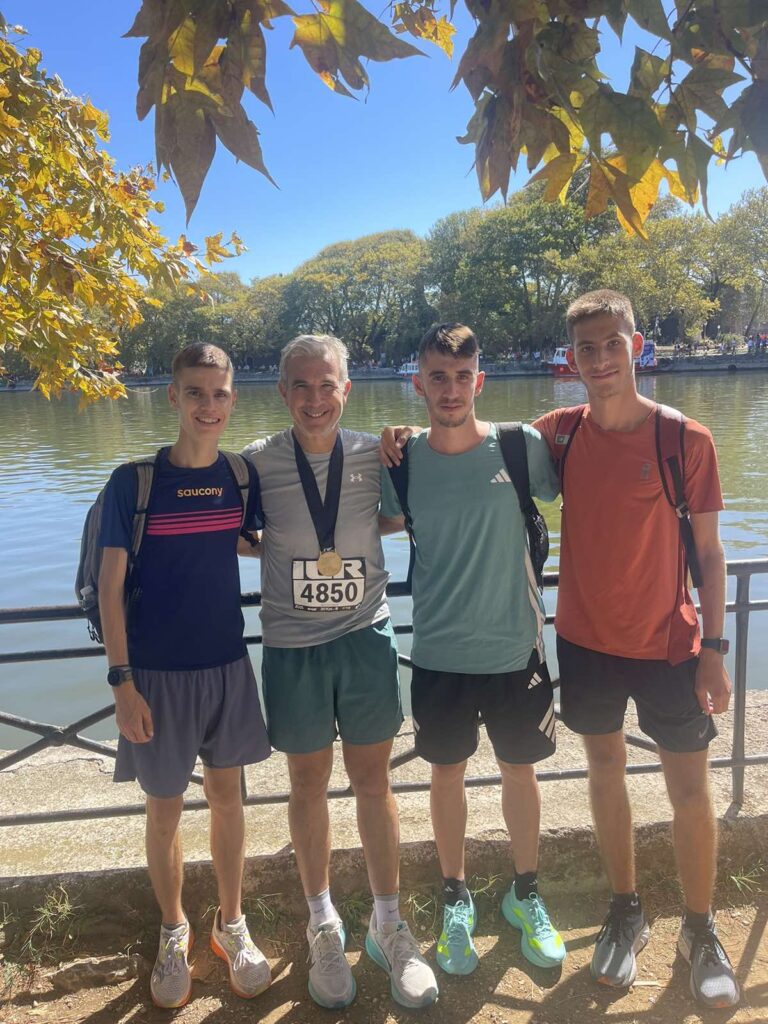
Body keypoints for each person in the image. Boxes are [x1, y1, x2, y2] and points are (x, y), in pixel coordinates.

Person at [532, 290, 740, 1009]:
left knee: (690, 789)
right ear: (571, 358)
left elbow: (710, 555)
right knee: (605, 771)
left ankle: (700, 928)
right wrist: (404, 436)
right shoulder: (556, 434)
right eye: (584, 348)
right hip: (585, 641)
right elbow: (476, 441)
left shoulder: (685, 439)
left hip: (670, 644)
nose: (599, 360)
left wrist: (715, 649)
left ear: (637, 346)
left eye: (611, 344)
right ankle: (626, 910)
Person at [242, 334, 438, 1011]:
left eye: (327, 385)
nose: (315, 398)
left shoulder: (375, 453)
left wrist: (404, 440)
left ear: (346, 390)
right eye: (301, 385)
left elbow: (399, 515)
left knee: (374, 781)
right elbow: (233, 530)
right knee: (306, 784)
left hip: (364, 638)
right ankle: (322, 922)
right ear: (282, 392)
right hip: (292, 645)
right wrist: (278, 548)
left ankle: (389, 923)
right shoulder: (256, 462)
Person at [380, 324, 566, 977]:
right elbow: (370, 521)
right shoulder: (401, 462)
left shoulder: (521, 446)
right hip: (438, 653)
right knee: (446, 775)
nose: (451, 389)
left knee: (521, 772)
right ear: (419, 384)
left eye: (462, 377)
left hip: (516, 648)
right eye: (438, 377)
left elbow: (585, 478)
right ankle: (455, 897)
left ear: (480, 381)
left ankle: (526, 894)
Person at [98, 343, 272, 1009]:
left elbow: (245, 538)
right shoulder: (134, 483)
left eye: (219, 393)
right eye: (195, 392)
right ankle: (174, 931)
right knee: (164, 809)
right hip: (156, 677)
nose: (208, 405)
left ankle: (232, 925)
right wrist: (122, 682)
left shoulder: (240, 477)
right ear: (173, 397)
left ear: (233, 399)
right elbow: (110, 587)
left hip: (227, 665)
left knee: (229, 800)